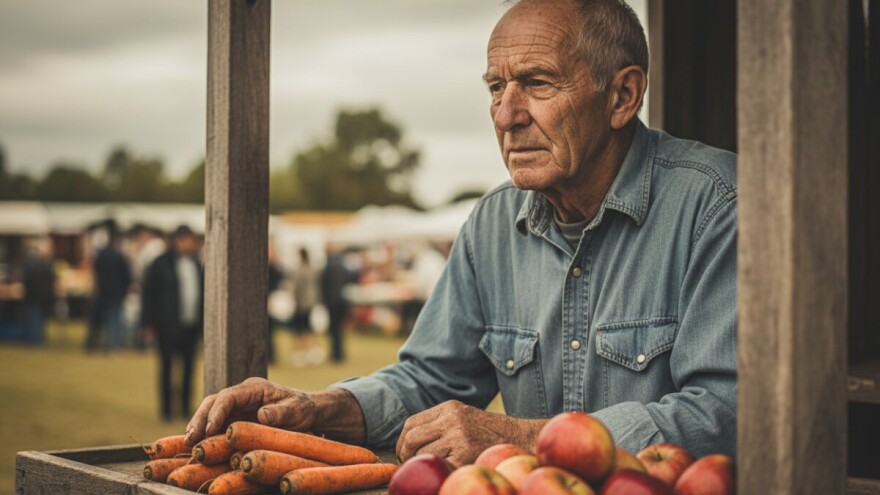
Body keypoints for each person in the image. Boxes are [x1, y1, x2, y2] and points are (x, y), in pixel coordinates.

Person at [185, 0, 737, 467]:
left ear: (622, 97)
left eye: (537, 83)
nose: (506, 115)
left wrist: (521, 437)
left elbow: (726, 413)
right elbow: (430, 381)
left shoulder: (717, 204)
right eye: (496, 87)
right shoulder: (492, 224)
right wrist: (318, 408)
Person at [141, 225, 204, 421]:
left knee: (189, 368)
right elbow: (148, 294)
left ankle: (185, 408)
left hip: (190, 324)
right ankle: (167, 410)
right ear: (179, 239)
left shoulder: (196, 263)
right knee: (167, 367)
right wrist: (148, 323)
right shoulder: (160, 263)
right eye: (189, 240)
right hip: (167, 325)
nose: (192, 244)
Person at [93, 222, 132, 351]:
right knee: (116, 318)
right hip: (117, 292)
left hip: (105, 291)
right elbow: (126, 275)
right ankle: (115, 344)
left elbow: (96, 272)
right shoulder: (119, 256)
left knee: (108, 317)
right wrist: (126, 288)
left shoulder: (101, 255)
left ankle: (109, 343)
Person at [288, 247, 323, 367]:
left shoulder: (300, 270)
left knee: (300, 330)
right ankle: (314, 352)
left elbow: (296, 288)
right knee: (309, 327)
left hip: (301, 303)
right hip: (310, 303)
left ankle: (302, 353)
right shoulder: (311, 269)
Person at [320, 242, 355, 363]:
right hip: (341, 300)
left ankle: (335, 354)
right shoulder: (342, 264)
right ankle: (340, 353)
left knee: (334, 329)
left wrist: (324, 300)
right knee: (339, 329)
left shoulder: (329, 265)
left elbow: (324, 284)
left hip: (332, 301)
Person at [22, 238, 55, 345]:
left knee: (36, 317)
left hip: (35, 296)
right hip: (37, 296)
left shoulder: (36, 263)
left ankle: (36, 339)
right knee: (36, 318)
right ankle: (36, 340)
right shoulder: (38, 264)